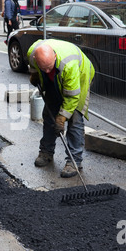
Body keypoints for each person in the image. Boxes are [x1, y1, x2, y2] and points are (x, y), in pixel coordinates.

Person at [27, 39, 95, 178]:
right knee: (49, 114)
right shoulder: (33, 52)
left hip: (79, 78)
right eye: (43, 68)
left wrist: (62, 118)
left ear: (55, 57)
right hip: (55, 79)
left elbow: (72, 98)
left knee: (74, 118)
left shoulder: (69, 65)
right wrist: (35, 74)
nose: (46, 70)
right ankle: (46, 152)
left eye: (49, 67)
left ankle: (74, 161)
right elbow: (33, 66)